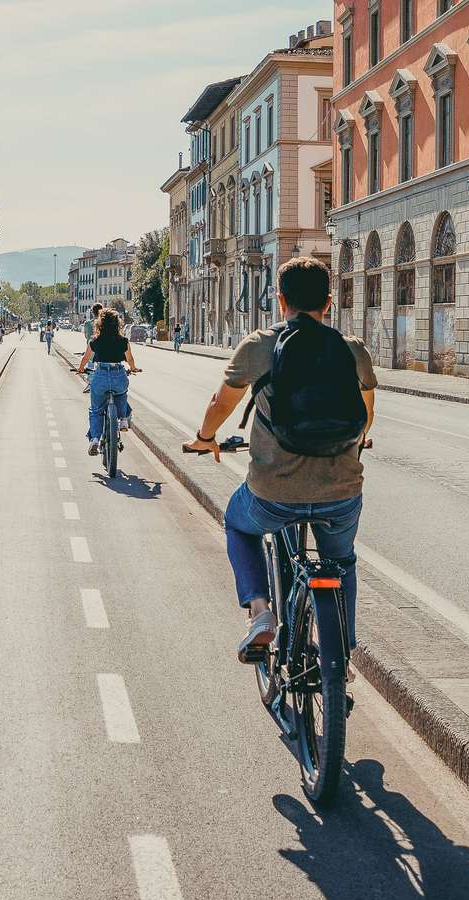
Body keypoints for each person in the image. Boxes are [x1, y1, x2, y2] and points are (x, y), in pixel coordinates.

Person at [181, 257, 375, 662]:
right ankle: (341, 655)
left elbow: (220, 403)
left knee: (238, 522)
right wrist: (358, 443)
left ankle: (260, 611)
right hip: (340, 493)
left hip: (272, 494)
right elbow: (366, 416)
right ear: (328, 301)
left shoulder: (258, 346)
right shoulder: (351, 350)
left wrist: (205, 438)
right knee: (341, 561)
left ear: (280, 299)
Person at [76, 308, 138, 456]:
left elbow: (85, 358)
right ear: (118, 324)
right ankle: (123, 419)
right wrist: (134, 368)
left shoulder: (95, 341)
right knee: (122, 393)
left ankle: (95, 439)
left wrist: (80, 369)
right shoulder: (123, 341)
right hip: (118, 375)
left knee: (96, 410)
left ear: (100, 324)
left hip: (101, 376)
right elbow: (130, 359)